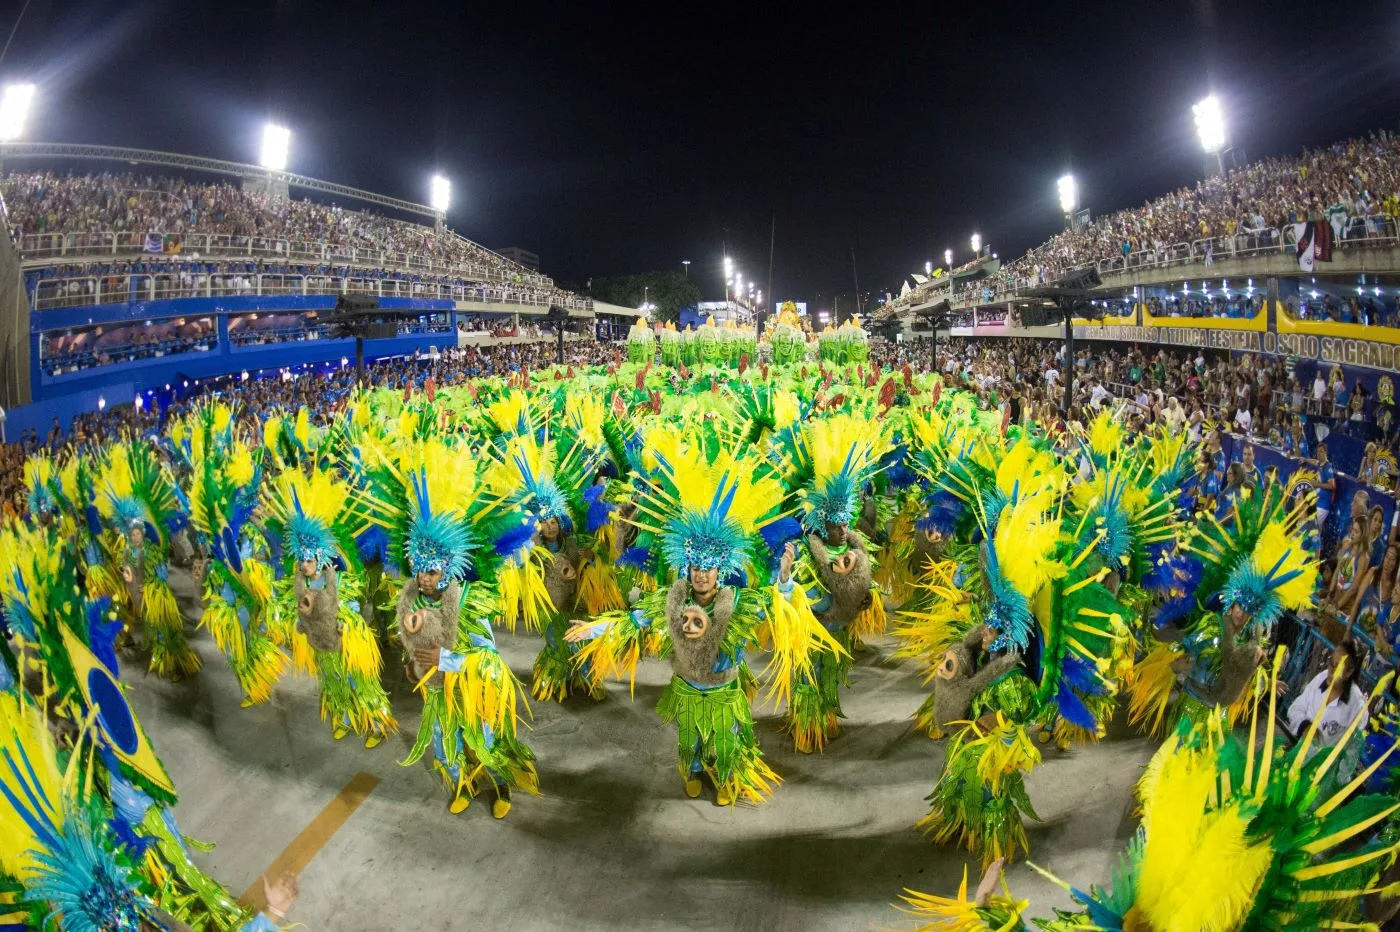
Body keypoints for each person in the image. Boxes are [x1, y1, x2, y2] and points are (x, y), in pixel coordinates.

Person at [1286, 638, 1369, 779]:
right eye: (1331, 663)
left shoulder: (1357, 707)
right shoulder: (1321, 678)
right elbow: (1296, 708)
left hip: (1320, 775)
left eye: (1338, 666)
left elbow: (1351, 753)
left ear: (1349, 672)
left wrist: (1335, 782)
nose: (1331, 671)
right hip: (1296, 754)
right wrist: (1304, 726)